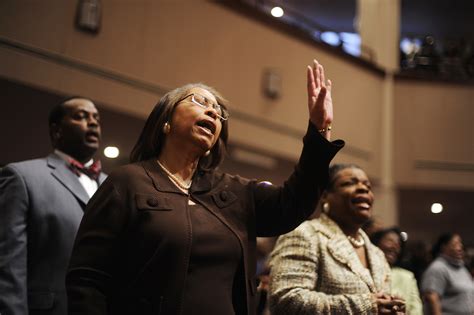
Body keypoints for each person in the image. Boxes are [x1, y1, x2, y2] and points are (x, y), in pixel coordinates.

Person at [65, 59, 344, 315]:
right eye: (199, 101)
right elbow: (87, 279)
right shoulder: (127, 182)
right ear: (166, 120)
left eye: (219, 112)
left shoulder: (234, 192)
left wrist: (319, 130)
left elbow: (294, 204)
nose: (213, 111)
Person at [0, 97, 106, 315]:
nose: (93, 122)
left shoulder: (114, 185)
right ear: (56, 131)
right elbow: (8, 264)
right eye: (80, 116)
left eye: (96, 118)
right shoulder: (22, 176)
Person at [268, 164, 407, 314]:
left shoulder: (377, 254)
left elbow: (378, 305)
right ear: (325, 196)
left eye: (368, 186)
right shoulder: (306, 234)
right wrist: (367, 305)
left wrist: (391, 308)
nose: (363, 188)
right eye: (349, 183)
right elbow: (286, 300)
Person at [371, 227, 423, 315]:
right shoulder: (365, 271)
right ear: (376, 244)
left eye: (398, 244)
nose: (395, 246)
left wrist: (403, 310)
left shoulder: (407, 277)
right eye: (390, 241)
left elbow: (417, 311)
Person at [421, 233, 474, 315]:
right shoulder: (437, 268)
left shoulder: (462, 267)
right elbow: (432, 298)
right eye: (455, 244)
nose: (460, 247)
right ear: (444, 247)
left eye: (460, 243)